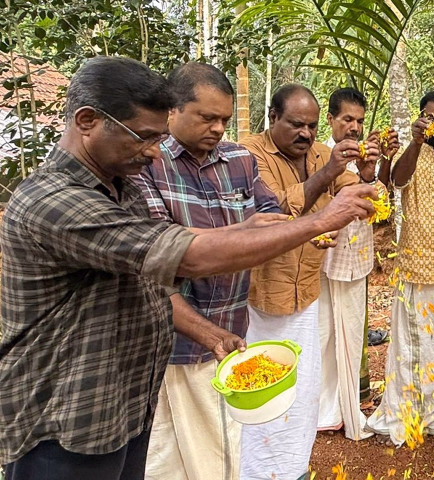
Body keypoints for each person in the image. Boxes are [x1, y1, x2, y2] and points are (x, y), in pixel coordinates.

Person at [0, 56, 375, 480]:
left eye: (157, 138)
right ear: (87, 121)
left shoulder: (122, 189)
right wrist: (322, 220)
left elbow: (149, 278)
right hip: (63, 421)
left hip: (122, 406)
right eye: (144, 137)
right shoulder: (56, 201)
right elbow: (186, 256)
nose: (153, 151)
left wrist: (210, 332)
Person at [132, 62, 281, 480]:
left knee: (218, 452)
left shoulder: (239, 159)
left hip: (226, 331)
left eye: (224, 120)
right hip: (168, 338)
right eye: (207, 117)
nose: (217, 128)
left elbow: (269, 211)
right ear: (173, 109)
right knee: (166, 456)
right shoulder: (147, 162)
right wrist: (245, 232)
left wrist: (290, 228)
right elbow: (164, 249)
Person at [238, 83, 379, 479]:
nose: (306, 134)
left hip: (307, 290)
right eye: (296, 125)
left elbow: (349, 190)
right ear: (272, 118)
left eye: (312, 127)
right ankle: (258, 471)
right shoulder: (249, 153)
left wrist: (366, 189)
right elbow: (274, 207)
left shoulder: (319, 152)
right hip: (264, 296)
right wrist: (329, 174)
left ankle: (293, 466)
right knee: (263, 389)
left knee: (301, 392)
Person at [365, 91, 434, 445]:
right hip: (414, 265)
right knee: (409, 345)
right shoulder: (407, 152)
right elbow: (398, 182)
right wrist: (414, 144)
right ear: (420, 117)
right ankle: (406, 412)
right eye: (431, 118)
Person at [317, 87, 400, 440]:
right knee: (322, 336)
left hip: (357, 258)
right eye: (347, 119)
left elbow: (378, 207)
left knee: (351, 335)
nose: (354, 127)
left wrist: (372, 172)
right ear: (331, 119)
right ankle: (321, 411)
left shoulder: (367, 156)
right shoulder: (317, 154)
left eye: (359, 121)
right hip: (323, 259)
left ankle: (346, 407)